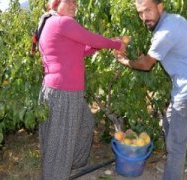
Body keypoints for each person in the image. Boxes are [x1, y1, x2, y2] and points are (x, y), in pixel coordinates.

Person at [115, 0, 187, 179]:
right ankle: (172, 166)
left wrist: (125, 61)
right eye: (140, 13)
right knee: (168, 123)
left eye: (148, 11)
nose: (144, 17)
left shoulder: (164, 33)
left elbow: (146, 64)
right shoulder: (175, 19)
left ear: (160, 7)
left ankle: (172, 172)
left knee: (176, 145)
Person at [36, 0, 126, 179]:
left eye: (75, 3)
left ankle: (71, 162)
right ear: (56, 4)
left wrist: (100, 46)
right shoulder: (63, 22)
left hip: (57, 91)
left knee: (85, 124)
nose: (73, 5)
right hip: (64, 92)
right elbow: (90, 38)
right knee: (61, 143)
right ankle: (56, 173)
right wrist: (117, 44)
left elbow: (80, 50)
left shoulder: (50, 22)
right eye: (68, 1)